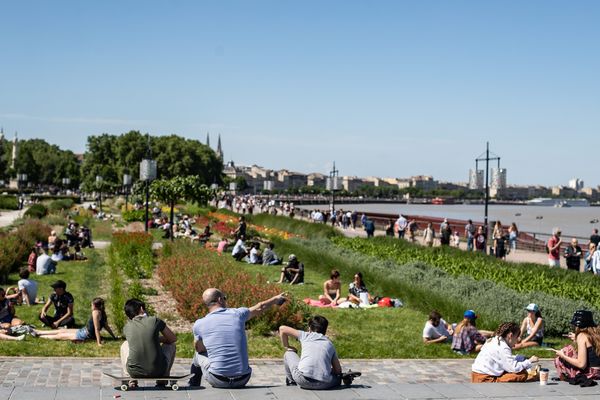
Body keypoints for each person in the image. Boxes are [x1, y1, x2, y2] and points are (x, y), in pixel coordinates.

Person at [189, 288, 286, 388]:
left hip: (218, 380)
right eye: (225, 298)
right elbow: (260, 307)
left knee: (198, 355)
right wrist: (276, 299)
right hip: (243, 379)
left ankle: (193, 386)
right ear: (219, 300)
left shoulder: (199, 324)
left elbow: (199, 349)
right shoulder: (238, 314)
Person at [120, 299, 177, 387]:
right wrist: (158, 339)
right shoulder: (155, 321)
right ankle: (162, 379)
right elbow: (172, 338)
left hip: (134, 372)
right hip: (159, 370)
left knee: (125, 344)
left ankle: (131, 380)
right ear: (142, 309)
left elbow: (139, 341)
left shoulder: (127, 327)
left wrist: (153, 339)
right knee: (171, 345)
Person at [279, 315, 342, 389]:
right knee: (337, 378)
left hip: (302, 380)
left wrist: (287, 346)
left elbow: (282, 329)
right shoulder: (329, 344)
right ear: (325, 329)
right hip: (323, 384)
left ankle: (291, 382)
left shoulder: (305, 335)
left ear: (309, 328)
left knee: (288, 353)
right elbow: (338, 370)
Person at [471, 322, 539, 383]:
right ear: (510, 335)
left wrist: (516, 357)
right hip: (485, 379)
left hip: (476, 375)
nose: (516, 342)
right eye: (516, 337)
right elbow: (514, 368)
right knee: (522, 374)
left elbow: (500, 358)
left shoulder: (495, 340)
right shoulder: (503, 347)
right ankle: (497, 381)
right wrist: (530, 361)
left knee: (517, 366)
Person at [33, 298, 117, 346]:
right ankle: (38, 331)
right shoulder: (102, 312)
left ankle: (39, 336)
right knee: (62, 330)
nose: (91, 306)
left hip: (85, 335)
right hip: (84, 330)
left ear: (95, 306)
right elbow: (106, 326)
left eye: (91, 305)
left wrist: (98, 343)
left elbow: (97, 329)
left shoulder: (95, 313)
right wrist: (114, 337)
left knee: (60, 336)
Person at [553, 310, 600, 380]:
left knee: (564, 354)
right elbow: (590, 344)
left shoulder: (582, 336)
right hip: (598, 372)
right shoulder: (596, 333)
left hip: (591, 373)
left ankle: (564, 378)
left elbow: (581, 364)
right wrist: (576, 338)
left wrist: (563, 355)